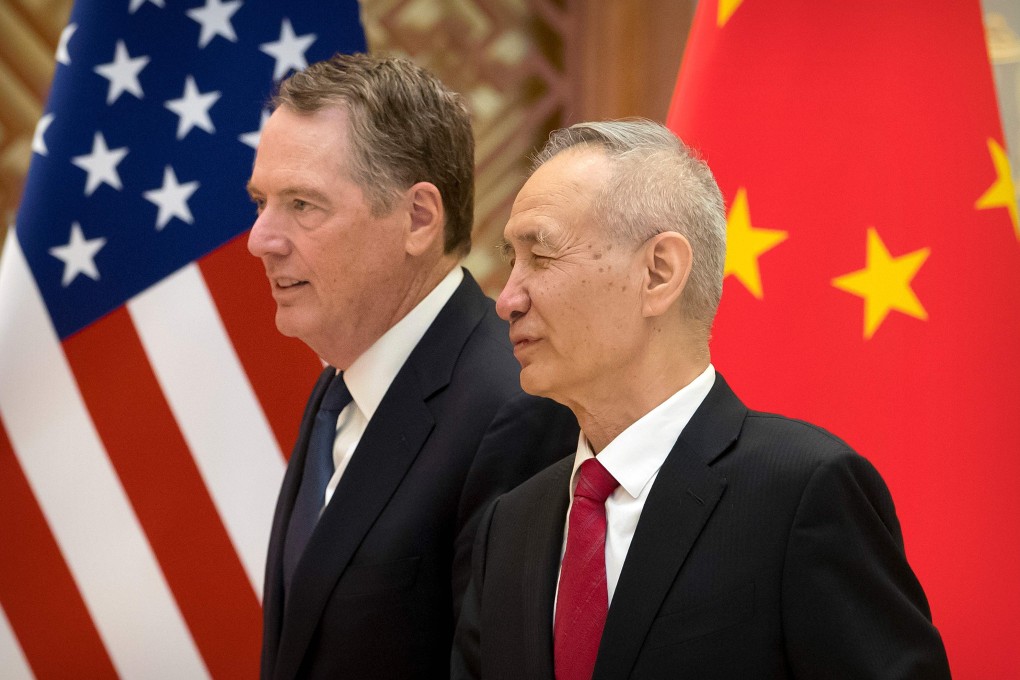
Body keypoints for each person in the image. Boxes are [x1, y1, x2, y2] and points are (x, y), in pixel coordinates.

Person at [451, 120, 951, 679]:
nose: (508, 298)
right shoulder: (511, 525)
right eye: (510, 260)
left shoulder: (804, 494)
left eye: (539, 257)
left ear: (659, 272)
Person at [247, 53, 578, 680]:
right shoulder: (341, 381)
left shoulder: (516, 408)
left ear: (419, 218)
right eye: (261, 201)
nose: (260, 239)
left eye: (302, 204)